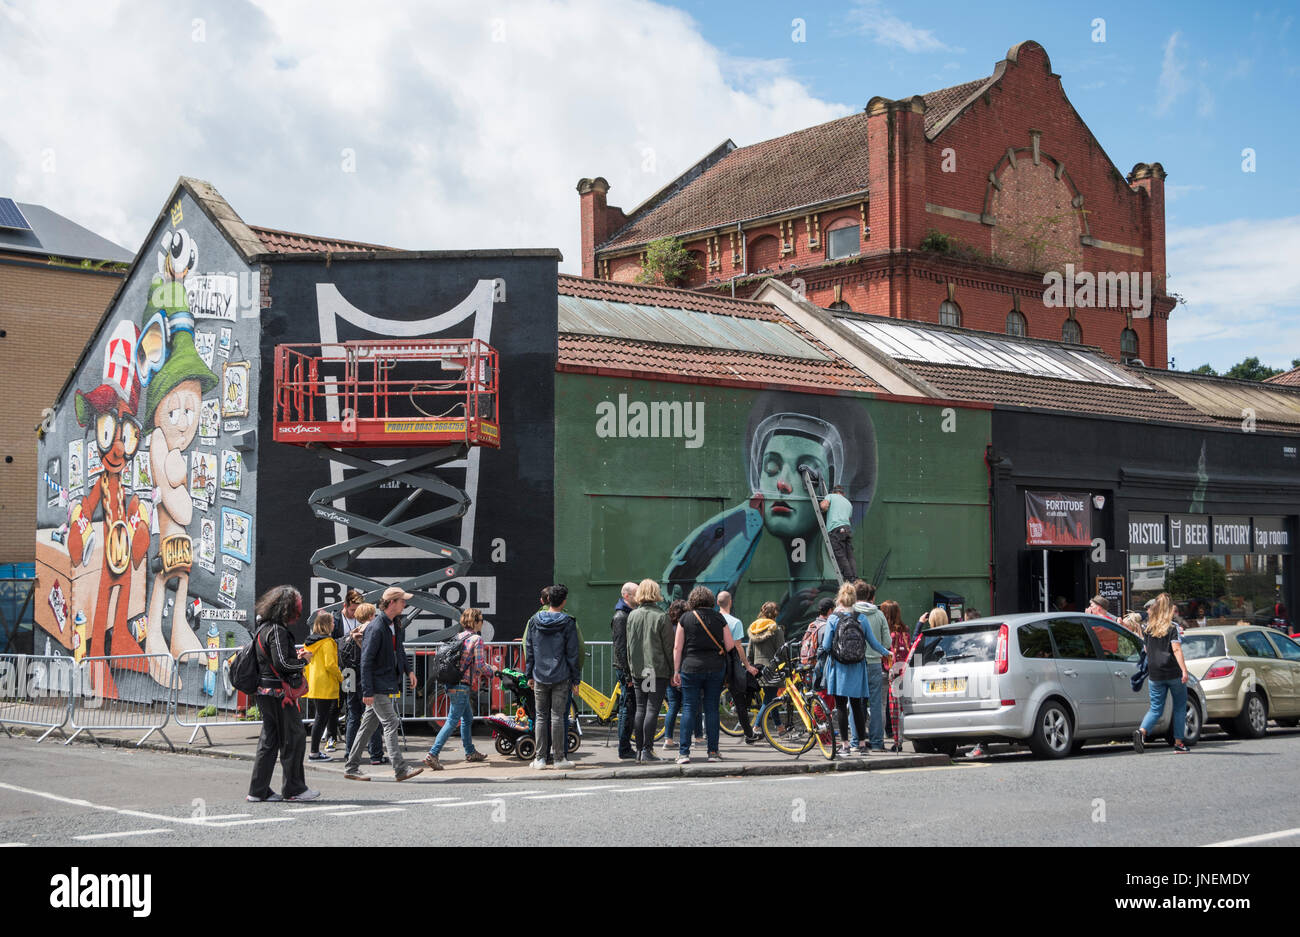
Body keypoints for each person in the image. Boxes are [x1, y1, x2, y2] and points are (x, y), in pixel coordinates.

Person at [342, 587, 423, 782]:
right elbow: (366, 660)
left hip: (384, 682)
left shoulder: (396, 623)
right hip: (377, 685)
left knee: (368, 726)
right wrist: (367, 690)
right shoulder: (376, 627)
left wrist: (408, 671)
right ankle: (400, 769)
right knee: (391, 722)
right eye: (402, 601)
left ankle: (351, 767)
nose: (405, 604)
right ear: (392, 602)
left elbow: (399, 650)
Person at [247, 585, 318, 802]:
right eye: (298, 605)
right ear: (287, 608)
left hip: (265, 691)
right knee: (294, 738)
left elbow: (273, 660)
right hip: (279, 694)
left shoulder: (263, 628)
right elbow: (284, 663)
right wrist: (303, 660)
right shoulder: (277, 631)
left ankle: (258, 791)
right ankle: (294, 789)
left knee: (269, 741)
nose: (300, 609)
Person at [673, 586, 742, 764]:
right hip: (715, 668)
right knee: (711, 708)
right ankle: (713, 752)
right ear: (711, 600)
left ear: (693, 600)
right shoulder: (719, 618)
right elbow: (729, 646)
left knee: (689, 707)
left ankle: (683, 753)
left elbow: (677, 647)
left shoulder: (685, 618)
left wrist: (675, 671)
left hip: (690, 668)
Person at [423, 608, 493, 769]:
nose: (482, 622)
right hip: (462, 685)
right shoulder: (476, 639)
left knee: (467, 718)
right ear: (475, 621)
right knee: (453, 720)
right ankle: (432, 754)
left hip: (451, 683)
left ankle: (470, 752)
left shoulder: (458, 637)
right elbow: (481, 666)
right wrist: (492, 671)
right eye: (481, 619)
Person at [525, 583, 581, 770]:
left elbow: (529, 649)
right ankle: (559, 758)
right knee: (558, 716)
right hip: (561, 675)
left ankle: (540, 759)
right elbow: (572, 653)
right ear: (564, 601)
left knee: (541, 716)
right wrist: (575, 679)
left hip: (539, 674)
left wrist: (528, 674)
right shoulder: (568, 622)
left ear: (547, 600)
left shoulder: (534, 620)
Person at [1134, 592, 1190, 754]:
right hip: (1173, 672)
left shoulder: (1148, 628)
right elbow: (1176, 649)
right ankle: (1179, 743)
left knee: (1156, 708)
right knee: (1179, 707)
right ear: (1170, 608)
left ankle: (1142, 731)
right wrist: (1184, 670)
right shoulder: (1172, 628)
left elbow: (1146, 649)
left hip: (1155, 673)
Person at [626, 579, 673, 762]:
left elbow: (629, 645)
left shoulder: (632, 615)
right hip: (655, 669)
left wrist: (630, 668)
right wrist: (673, 670)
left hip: (638, 669)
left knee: (641, 708)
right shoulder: (661, 616)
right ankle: (647, 750)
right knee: (652, 708)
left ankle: (639, 750)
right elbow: (668, 647)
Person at [821, 583, 868, 755]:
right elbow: (872, 642)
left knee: (841, 707)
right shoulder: (861, 618)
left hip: (839, 667)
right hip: (857, 667)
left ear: (839, 598)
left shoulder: (834, 618)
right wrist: (886, 652)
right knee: (856, 706)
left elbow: (826, 645)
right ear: (854, 598)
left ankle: (845, 746)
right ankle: (862, 745)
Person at [340, 602, 384, 765]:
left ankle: (349, 752)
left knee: (352, 715)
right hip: (366, 679)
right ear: (371, 615)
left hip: (350, 677)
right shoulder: (372, 632)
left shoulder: (350, 634)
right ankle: (376, 755)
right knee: (372, 717)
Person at [851, 581, 893, 753]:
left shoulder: (849, 613)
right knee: (875, 704)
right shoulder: (878, 614)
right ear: (870, 596)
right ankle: (876, 742)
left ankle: (855, 741)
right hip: (874, 664)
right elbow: (887, 642)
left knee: (853, 704)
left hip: (854, 664)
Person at [324, 588, 364, 750]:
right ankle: (331, 737)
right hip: (339, 667)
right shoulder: (336, 620)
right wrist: (349, 637)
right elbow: (330, 642)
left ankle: (351, 738)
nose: (355, 614)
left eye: (357, 610)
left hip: (354, 667)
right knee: (336, 704)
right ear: (345, 605)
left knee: (352, 705)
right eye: (352, 610)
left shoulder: (360, 619)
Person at [302, 611, 344, 762]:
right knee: (321, 718)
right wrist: (341, 677)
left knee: (319, 718)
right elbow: (330, 665)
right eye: (332, 622)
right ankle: (314, 753)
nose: (334, 625)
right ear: (327, 625)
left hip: (314, 683)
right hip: (326, 684)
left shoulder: (310, 642)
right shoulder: (327, 642)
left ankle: (314, 752)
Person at [662, 599, 702, 752]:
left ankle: (668, 739)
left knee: (673, 705)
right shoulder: (687, 627)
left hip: (670, 671)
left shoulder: (667, 628)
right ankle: (697, 737)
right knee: (693, 704)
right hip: (686, 670)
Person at [610, 581, 638, 760]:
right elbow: (620, 648)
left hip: (626, 667)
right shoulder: (621, 616)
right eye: (636, 593)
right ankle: (624, 747)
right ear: (626, 595)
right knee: (627, 708)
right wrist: (628, 675)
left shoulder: (626, 614)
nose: (639, 596)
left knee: (628, 707)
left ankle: (626, 746)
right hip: (625, 669)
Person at [880, 599, 910, 753]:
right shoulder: (905, 631)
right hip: (905, 673)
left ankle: (897, 741)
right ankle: (906, 737)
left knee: (893, 709)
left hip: (891, 673)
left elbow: (885, 653)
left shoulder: (889, 635)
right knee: (904, 708)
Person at [747, 602, 786, 715]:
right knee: (769, 701)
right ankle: (757, 727)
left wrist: (750, 666)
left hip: (757, 669)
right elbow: (781, 652)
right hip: (772, 670)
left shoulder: (754, 628)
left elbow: (749, 652)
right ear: (776, 614)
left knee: (770, 699)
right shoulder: (777, 630)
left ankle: (779, 728)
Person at [819, 484, 856, 582]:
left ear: (834, 492)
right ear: (843, 493)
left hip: (836, 529)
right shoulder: (848, 503)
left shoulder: (830, 496)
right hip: (847, 529)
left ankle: (849, 580)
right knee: (849, 555)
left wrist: (824, 508)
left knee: (840, 556)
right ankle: (855, 578)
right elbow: (848, 518)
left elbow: (824, 506)